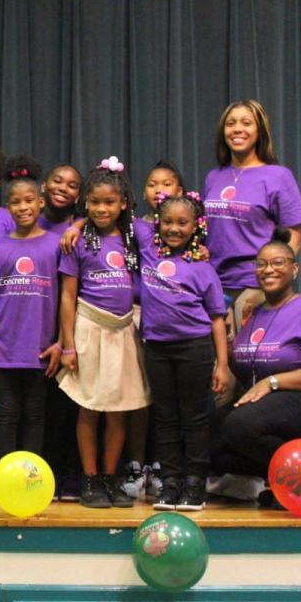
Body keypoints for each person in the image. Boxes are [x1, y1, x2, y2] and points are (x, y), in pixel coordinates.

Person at [210, 230, 301, 503]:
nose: (268, 269)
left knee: (240, 425)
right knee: (209, 436)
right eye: (261, 264)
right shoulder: (255, 315)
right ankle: (279, 483)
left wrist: (272, 382)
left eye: (278, 263)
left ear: (294, 268)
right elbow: (248, 368)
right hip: (272, 406)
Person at [57, 156, 150, 509]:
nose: (101, 208)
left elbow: (168, 228)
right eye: (94, 203)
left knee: (118, 409)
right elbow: (67, 295)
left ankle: (111, 478)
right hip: (88, 328)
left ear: (123, 203)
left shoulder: (134, 236)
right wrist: (67, 343)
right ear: (85, 203)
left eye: (110, 202)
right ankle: (91, 479)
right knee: (89, 407)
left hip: (124, 329)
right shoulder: (76, 242)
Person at [132, 192, 229, 511]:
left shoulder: (202, 267)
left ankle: (194, 484)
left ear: (196, 226)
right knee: (165, 417)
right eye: (168, 222)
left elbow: (217, 319)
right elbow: (119, 213)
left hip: (195, 348)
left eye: (182, 223)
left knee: (194, 418)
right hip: (157, 348)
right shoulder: (148, 251)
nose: (174, 228)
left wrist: (222, 365)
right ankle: (171, 483)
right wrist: (76, 227)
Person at [0, 156, 62, 463]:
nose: (23, 207)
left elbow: (66, 296)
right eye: (15, 202)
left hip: (41, 345)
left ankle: (31, 479)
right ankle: (4, 480)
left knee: (36, 413)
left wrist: (62, 340)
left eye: (29, 200)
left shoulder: (55, 245)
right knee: (7, 412)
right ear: (7, 207)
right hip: (4, 343)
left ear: (40, 203)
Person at [203, 99, 301, 330]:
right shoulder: (213, 177)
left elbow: (293, 238)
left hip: (255, 286)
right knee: (219, 365)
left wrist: (265, 286)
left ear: (259, 131)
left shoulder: (278, 176)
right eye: (231, 123)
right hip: (214, 286)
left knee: (254, 364)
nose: (237, 129)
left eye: (246, 123)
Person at [120, 159, 188, 499]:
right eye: (151, 183)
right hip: (135, 318)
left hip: (173, 324)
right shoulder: (134, 227)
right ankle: (135, 463)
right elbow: (94, 225)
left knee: (166, 399)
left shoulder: (190, 228)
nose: (159, 189)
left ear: (179, 190)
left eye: (166, 183)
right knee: (137, 396)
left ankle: (165, 465)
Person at [40, 163, 82, 231]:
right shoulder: (23, 222)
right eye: (57, 181)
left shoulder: (83, 230)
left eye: (72, 186)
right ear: (43, 186)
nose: (63, 188)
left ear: (77, 198)